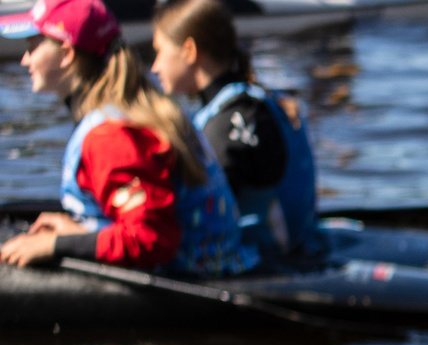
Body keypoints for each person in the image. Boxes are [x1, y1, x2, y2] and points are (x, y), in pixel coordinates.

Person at [0, 0, 250, 276]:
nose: (25, 59)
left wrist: (55, 244)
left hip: (195, 282)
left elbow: (151, 240)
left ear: (66, 54)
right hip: (209, 262)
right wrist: (81, 233)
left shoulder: (112, 133)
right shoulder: (129, 108)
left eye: (34, 45)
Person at [150, 0, 319, 270]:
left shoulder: (223, 126)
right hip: (302, 246)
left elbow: (202, 222)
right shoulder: (264, 101)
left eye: (159, 51)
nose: (155, 66)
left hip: (266, 264)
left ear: (190, 51)